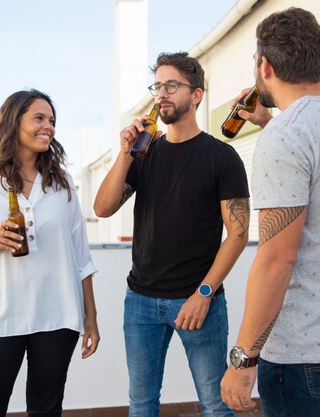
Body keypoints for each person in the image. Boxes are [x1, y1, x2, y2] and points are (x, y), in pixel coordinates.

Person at [220, 8, 320, 417]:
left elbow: (277, 259)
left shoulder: (286, 137)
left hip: (302, 352)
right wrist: (270, 121)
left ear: (265, 66)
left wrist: (242, 360)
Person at [94, 52, 250, 417]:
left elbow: (238, 235)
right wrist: (124, 154)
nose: (161, 94)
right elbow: (102, 208)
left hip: (199, 302)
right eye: (157, 86)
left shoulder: (222, 157)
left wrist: (204, 293)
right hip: (141, 302)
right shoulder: (143, 154)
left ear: (196, 95)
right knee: (141, 403)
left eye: (172, 85)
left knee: (215, 404)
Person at [0, 89, 100, 417]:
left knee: (46, 410)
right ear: (13, 122)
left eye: (52, 120)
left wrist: (91, 317)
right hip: (0, 315)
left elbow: (80, 257)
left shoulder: (62, 184)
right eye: (39, 118)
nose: (49, 126)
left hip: (58, 314)